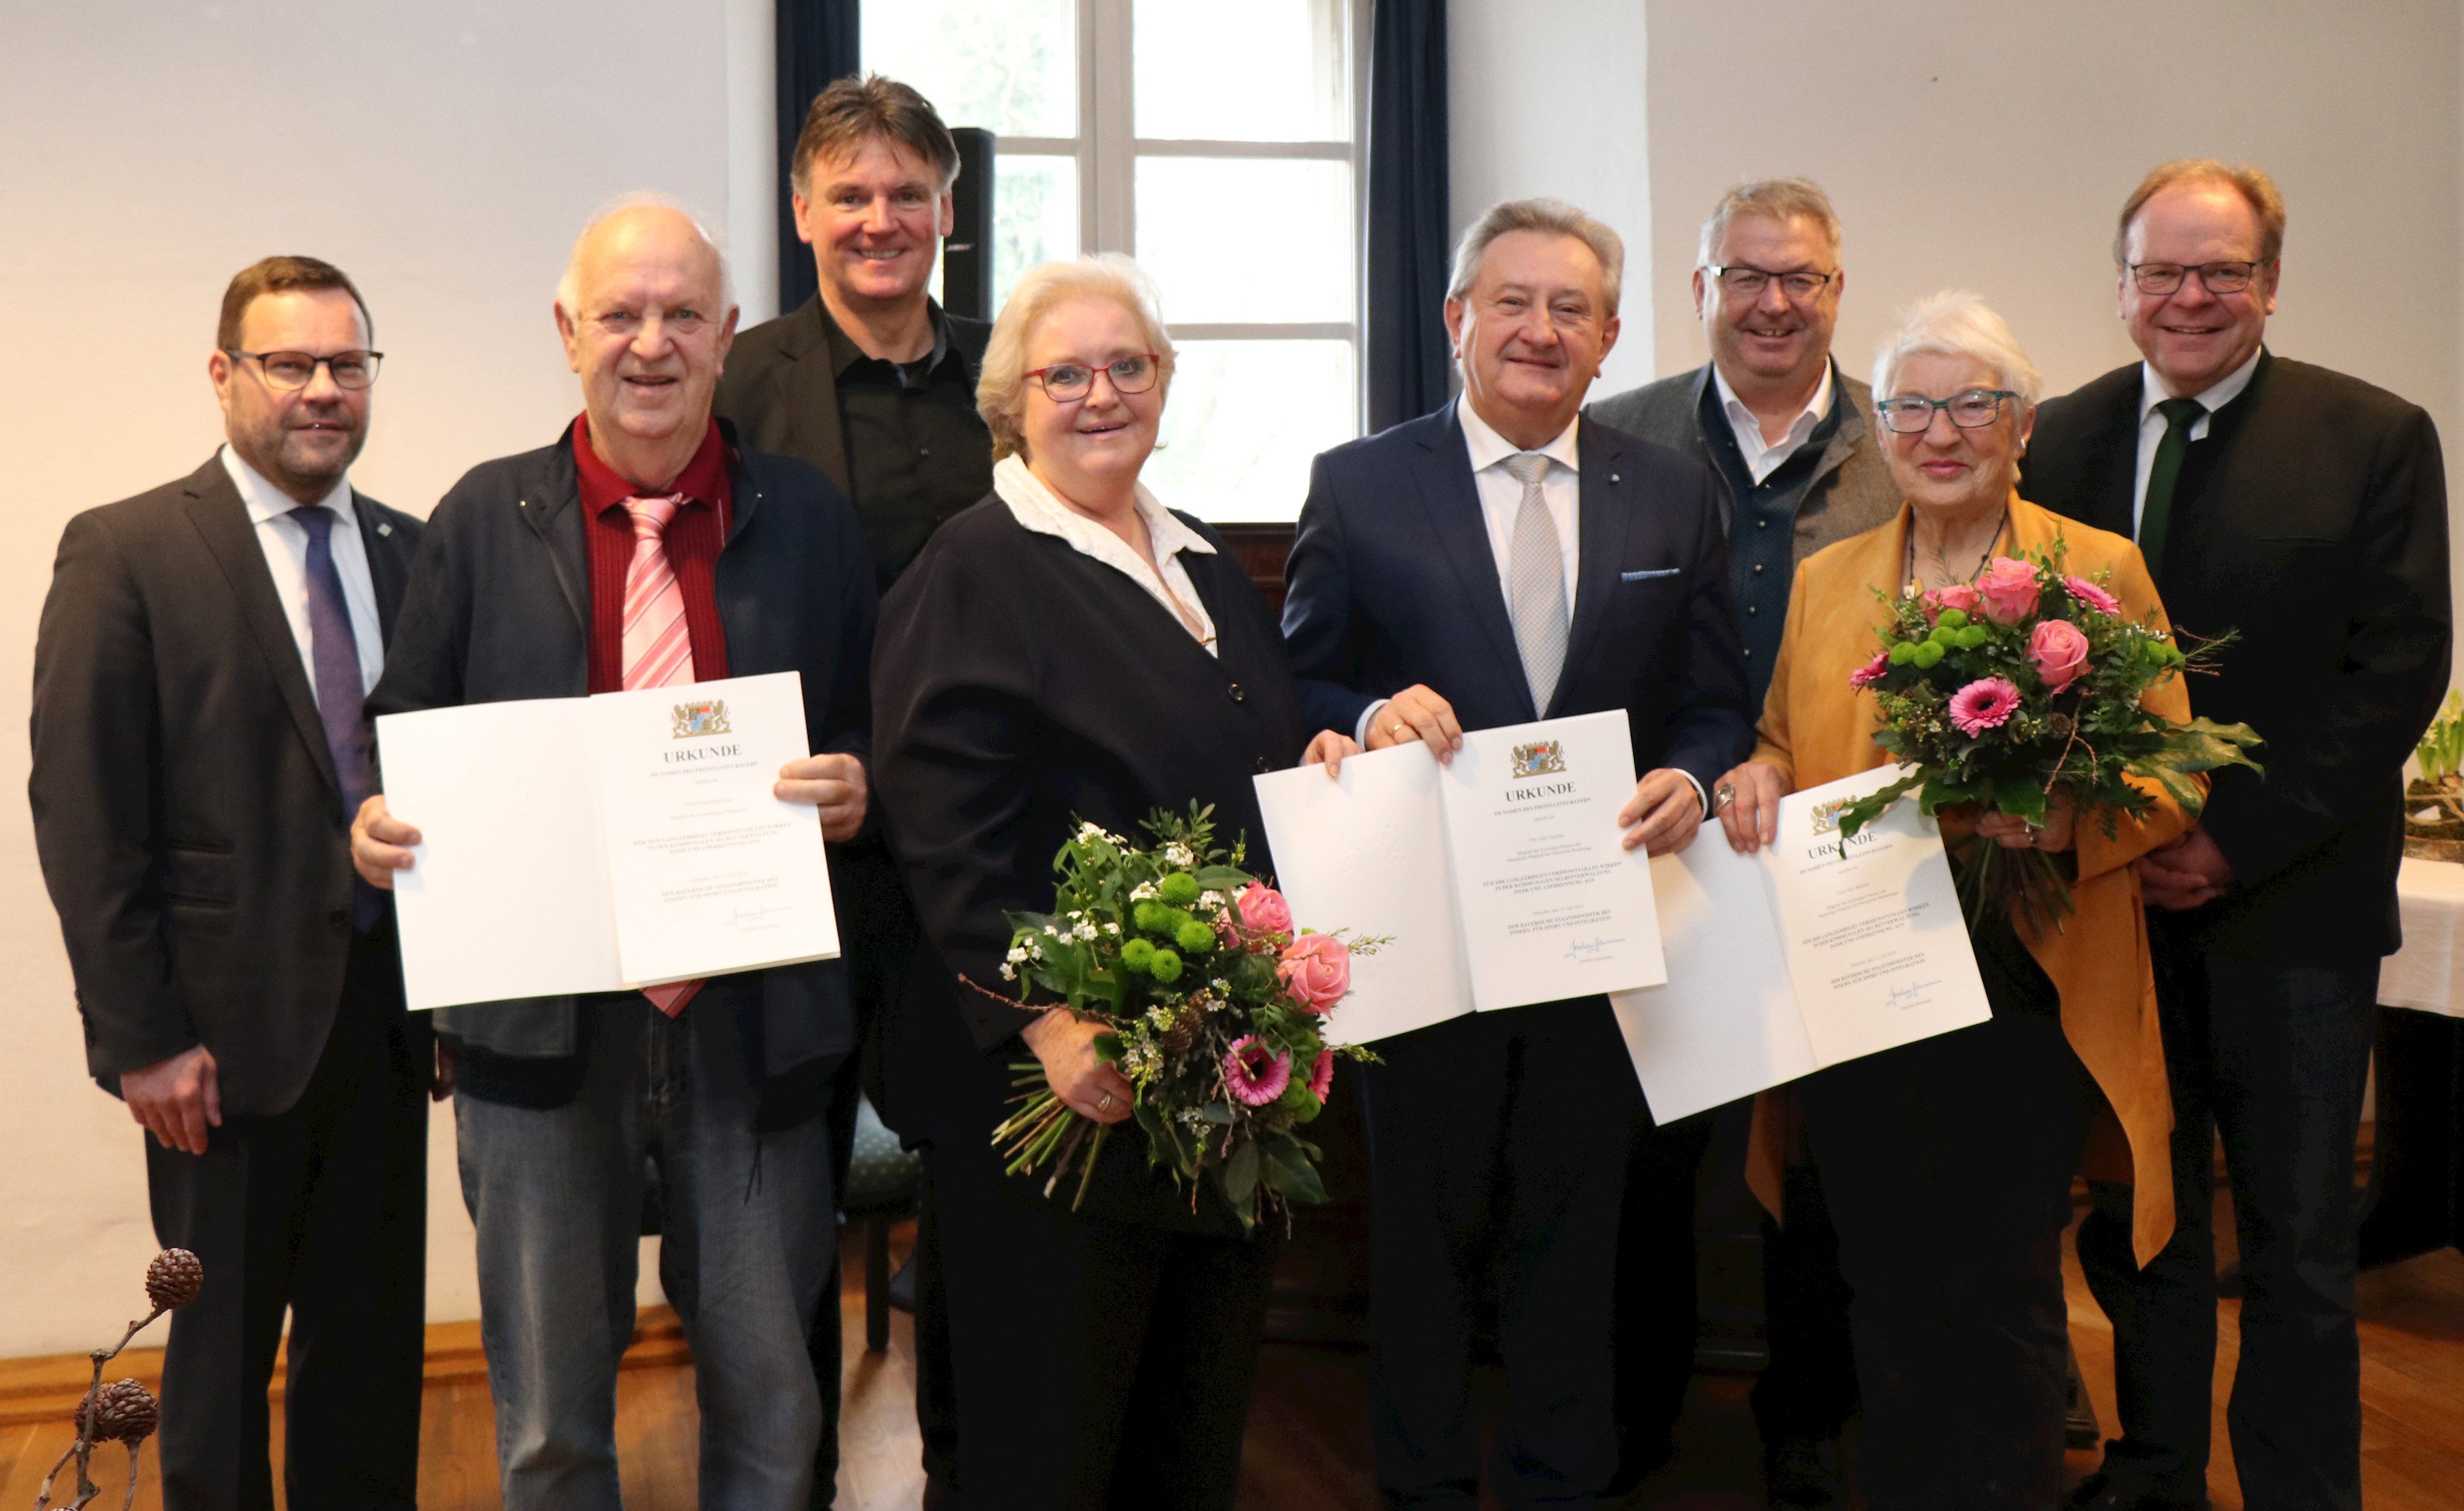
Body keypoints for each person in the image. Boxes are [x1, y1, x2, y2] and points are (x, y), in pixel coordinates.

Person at [348, 200, 878, 1511]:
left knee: (770, 1402)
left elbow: (871, 717)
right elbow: (401, 734)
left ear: (727, 334)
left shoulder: (806, 517)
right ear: (566, 332)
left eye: (682, 313)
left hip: (752, 1029)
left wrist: (859, 780)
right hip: (539, 1034)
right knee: (544, 1423)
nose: (651, 343)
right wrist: (371, 819)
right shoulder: (480, 517)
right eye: (621, 314)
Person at [1281, 197, 1754, 1508]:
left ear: (1607, 339)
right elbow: (1298, 684)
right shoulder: (1359, 482)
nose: (1538, 331)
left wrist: (1696, 775)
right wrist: (1368, 716)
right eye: (1512, 301)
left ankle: (1562, 1479)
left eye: (1570, 310)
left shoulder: (1669, 491)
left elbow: (1715, 700)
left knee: (1576, 1236)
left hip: (1596, 926)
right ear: (1455, 320)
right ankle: (1421, 1485)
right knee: (1422, 1248)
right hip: (1419, 935)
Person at [870, 253, 1356, 1510]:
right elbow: (941, 816)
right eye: (1065, 372)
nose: (1100, 394)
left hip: (1207, 1077)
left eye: (1126, 366)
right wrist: (1039, 1016)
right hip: (1062, 1085)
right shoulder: (975, 564)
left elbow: (1236, 758)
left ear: (1162, 383)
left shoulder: (1193, 558)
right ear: (1010, 402)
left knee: (1184, 1430)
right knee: (1049, 1442)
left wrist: (1311, 761)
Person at [1714, 291, 2190, 1510]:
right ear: (1882, 434)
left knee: (1998, 1280)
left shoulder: (2094, 568)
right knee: (1878, 1270)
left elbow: (2170, 768)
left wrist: (2065, 811)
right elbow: (1779, 732)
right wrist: (1759, 770)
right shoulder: (1828, 581)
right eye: (1912, 406)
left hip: (2018, 970)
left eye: (1970, 404)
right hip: (1860, 968)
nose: (1939, 431)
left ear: (2019, 424)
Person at [2024, 160, 2453, 1511]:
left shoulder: (2372, 433)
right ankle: (2153, 1471)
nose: (2189, 295)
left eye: (2220, 270)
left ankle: (2298, 1485)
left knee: (2294, 1242)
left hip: (2293, 911)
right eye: (2162, 270)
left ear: (2270, 282)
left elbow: (2394, 669)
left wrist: (2229, 840)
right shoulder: (2060, 436)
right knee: (2139, 1217)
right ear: (2120, 286)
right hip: (2111, 911)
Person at [30, 255, 428, 1511]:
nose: (322, 389)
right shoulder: (129, 550)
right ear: (224, 375)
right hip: (214, 1042)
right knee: (215, 1362)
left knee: (368, 1349)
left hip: (387, 1018)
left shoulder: (412, 555)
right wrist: (141, 1037)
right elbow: (83, 809)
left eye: (346, 364)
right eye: (290, 363)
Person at [1587, 176, 1896, 1509]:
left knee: (1828, 1159)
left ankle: (1808, 1419)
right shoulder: (1618, 433)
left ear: (1837, 291)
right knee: (1651, 1152)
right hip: (1662, 842)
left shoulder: (1909, 444)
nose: (1773, 301)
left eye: (1802, 278)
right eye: (1745, 274)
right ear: (1700, 288)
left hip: (1846, 844)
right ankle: (1631, 1412)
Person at [712, 72, 992, 1507]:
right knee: (774, 1203)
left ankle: (970, 1468)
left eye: (905, 192)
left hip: (970, 857)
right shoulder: (731, 379)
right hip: (788, 850)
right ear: (802, 212)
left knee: (982, 1188)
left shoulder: (1014, 379)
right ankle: (791, 1479)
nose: (879, 219)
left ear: (945, 207)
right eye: (850, 194)